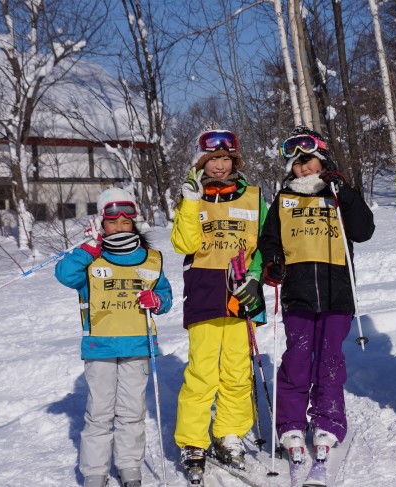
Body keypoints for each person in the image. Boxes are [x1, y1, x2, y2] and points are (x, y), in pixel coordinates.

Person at [259, 126, 375, 464]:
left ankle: (328, 420)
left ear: (322, 159)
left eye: (308, 160)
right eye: (297, 164)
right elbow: (270, 240)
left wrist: (346, 192)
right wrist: (273, 263)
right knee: (297, 359)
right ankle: (291, 424)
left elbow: (363, 231)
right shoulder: (284, 198)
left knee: (329, 360)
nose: (303, 168)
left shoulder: (338, 193)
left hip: (337, 292)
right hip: (298, 294)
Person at [55, 187, 173, 487]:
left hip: (137, 345)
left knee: (132, 411)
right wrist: (89, 247)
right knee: (99, 411)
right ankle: (95, 472)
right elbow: (64, 274)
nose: (119, 226)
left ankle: (129, 466)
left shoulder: (151, 259)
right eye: (112, 221)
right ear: (101, 223)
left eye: (126, 221)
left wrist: (156, 302)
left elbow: (165, 296)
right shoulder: (91, 260)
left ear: (134, 222)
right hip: (100, 347)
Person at [171, 128, 268, 476]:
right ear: (202, 162)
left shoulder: (254, 197)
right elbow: (184, 244)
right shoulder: (191, 197)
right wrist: (190, 202)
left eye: (226, 158)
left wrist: (255, 277)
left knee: (238, 372)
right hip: (204, 292)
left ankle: (229, 433)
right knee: (201, 372)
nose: (220, 166)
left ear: (234, 160)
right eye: (213, 159)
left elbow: (265, 244)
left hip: (243, 292)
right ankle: (193, 441)